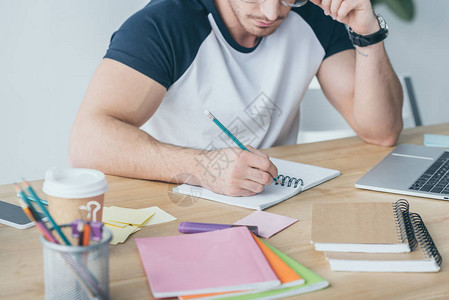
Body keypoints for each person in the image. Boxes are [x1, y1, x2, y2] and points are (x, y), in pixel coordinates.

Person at [69, 0, 403, 197]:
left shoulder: (313, 16)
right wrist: (203, 170)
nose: (272, 12)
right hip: (173, 203)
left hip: (274, 200)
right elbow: (87, 141)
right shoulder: (164, 25)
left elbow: (381, 131)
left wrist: (368, 32)